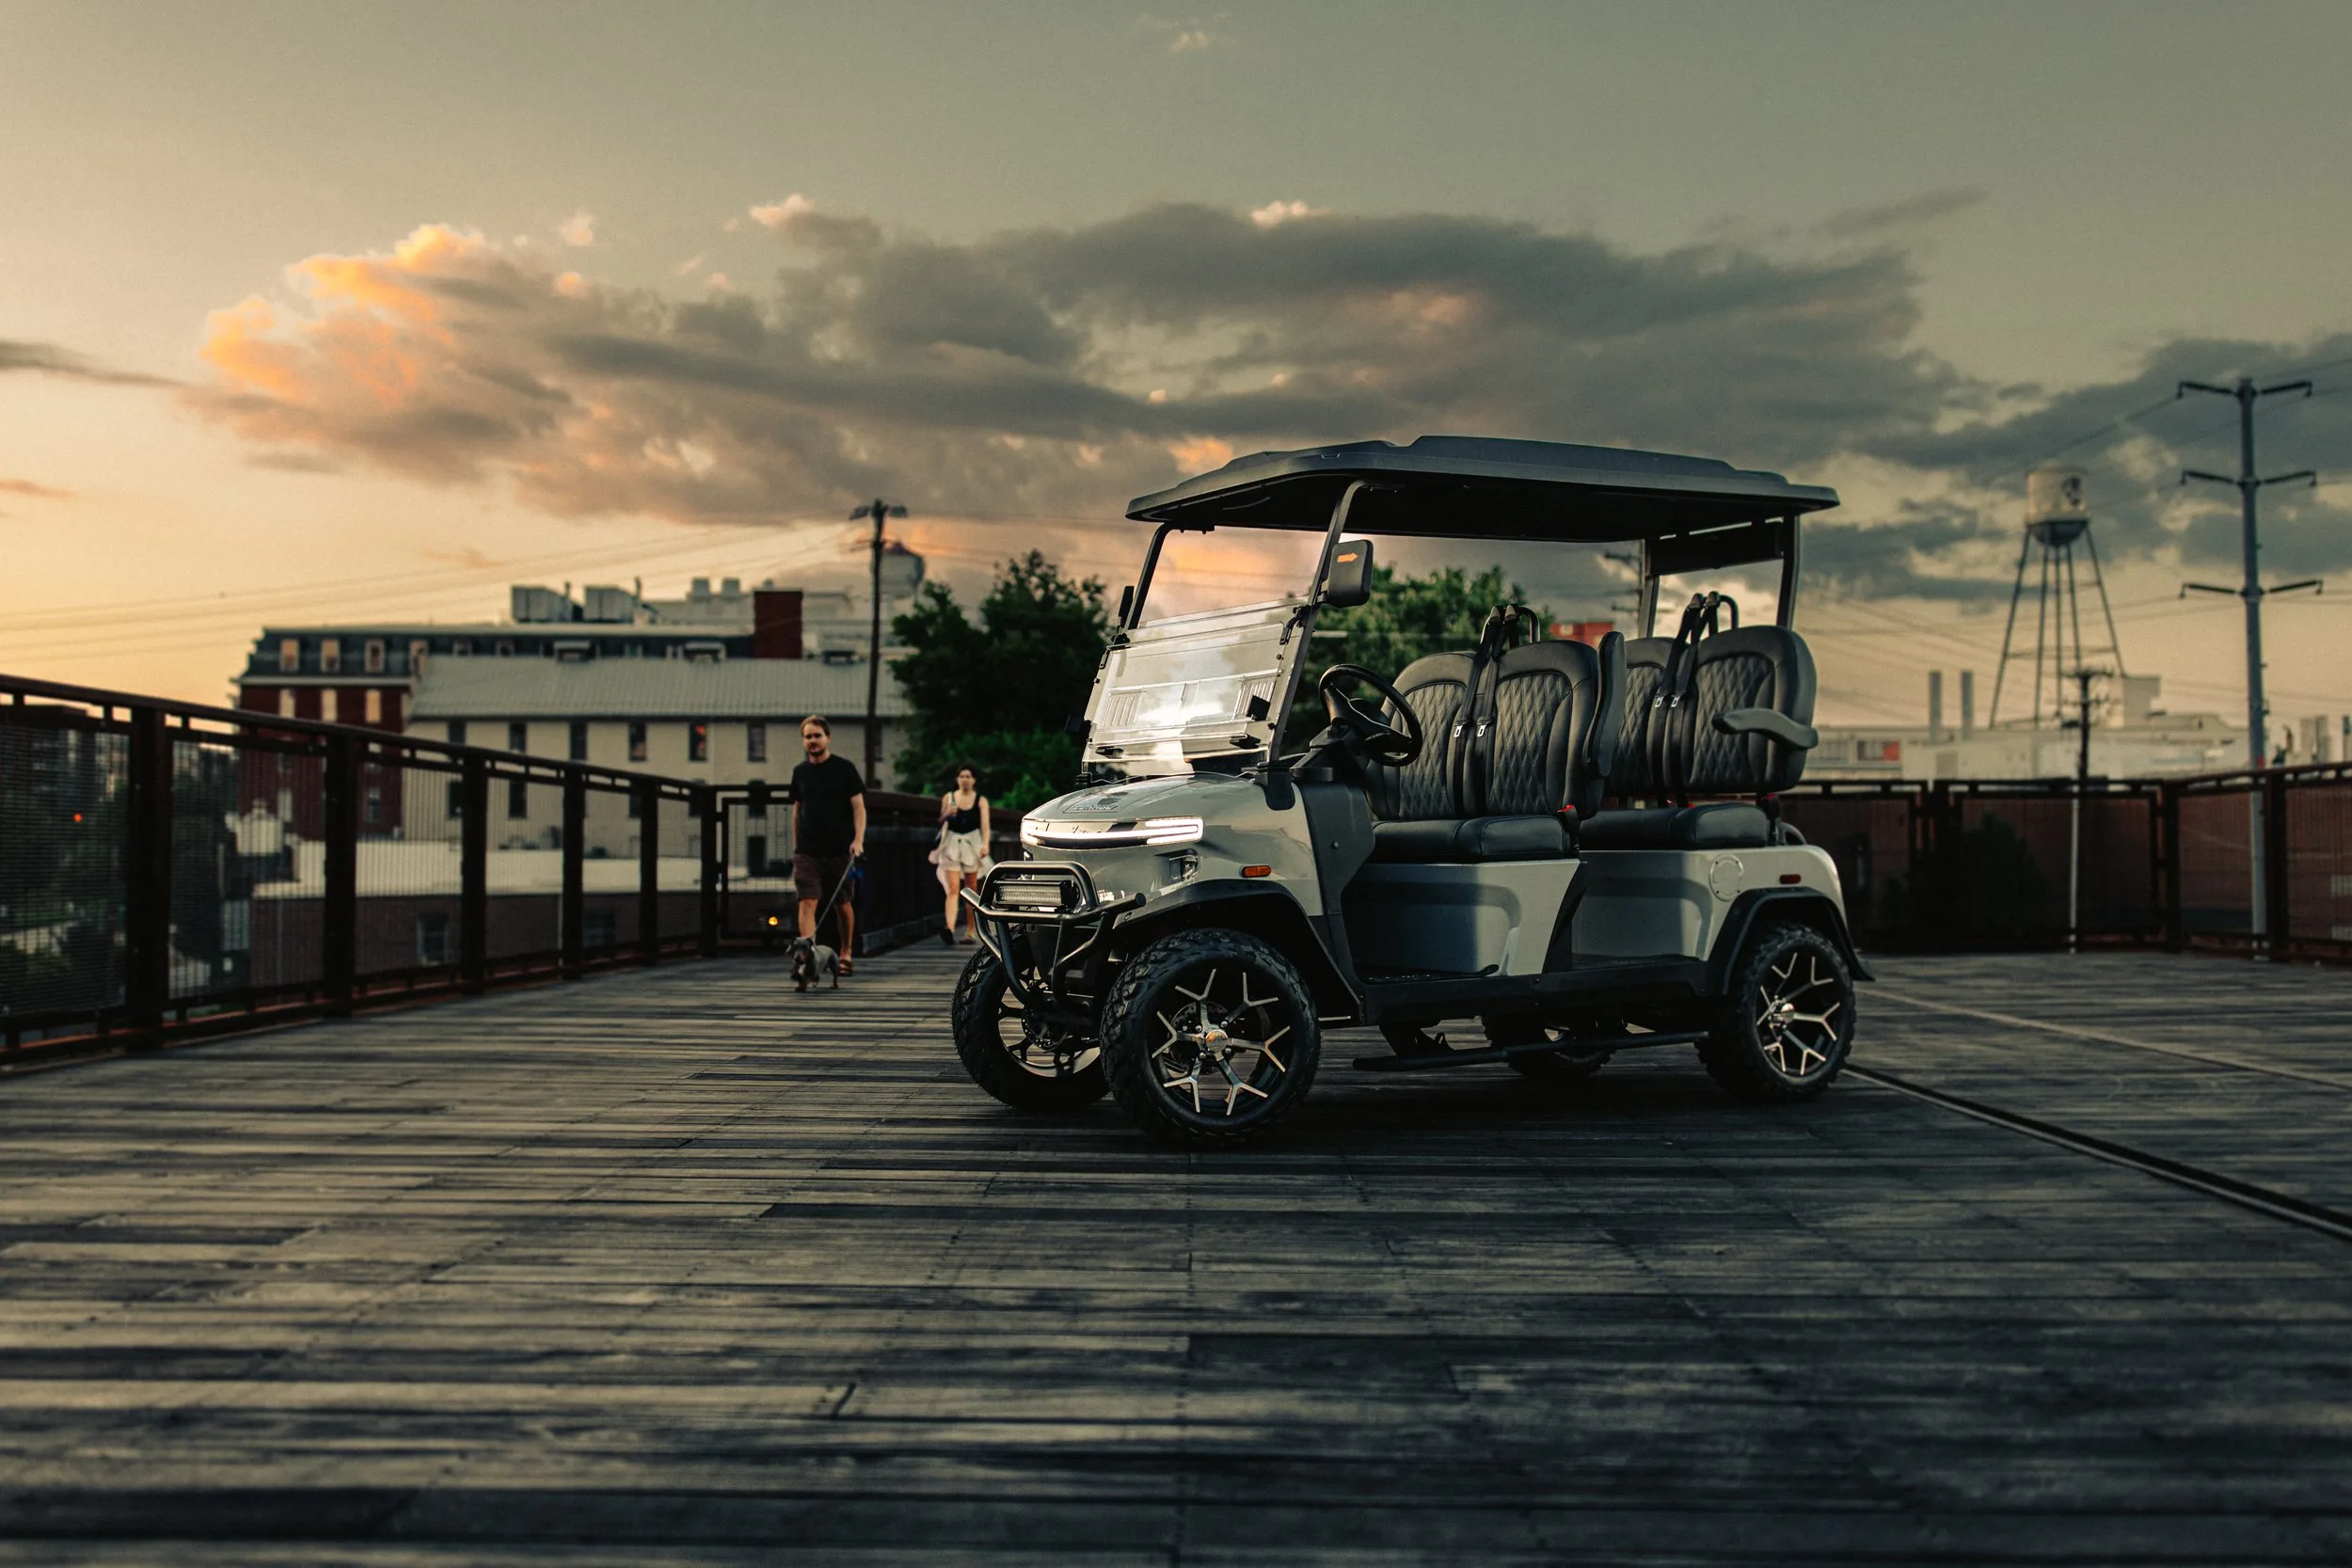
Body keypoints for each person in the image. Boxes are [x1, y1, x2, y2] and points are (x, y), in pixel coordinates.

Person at [790, 715, 865, 975]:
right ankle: (808, 956)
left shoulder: (844, 769)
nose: (812, 740)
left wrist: (858, 840)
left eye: (817, 735)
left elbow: (859, 807)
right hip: (807, 851)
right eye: (808, 736)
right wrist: (796, 844)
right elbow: (797, 810)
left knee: (842, 903)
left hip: (839, 849)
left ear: (827, 738)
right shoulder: (800, 772)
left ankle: (846, 952)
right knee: (807, 900)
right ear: (803, 740)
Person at [936, 766, 992, 945]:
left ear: (974, 780)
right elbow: (940, 820)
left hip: (971, 844)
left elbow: (985, 826)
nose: (965, 780)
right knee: (952, 889)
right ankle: (949, 928)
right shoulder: (949, 797)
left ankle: (970, 930)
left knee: (970, 889)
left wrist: (985, 845)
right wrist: (947, 813)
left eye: (968, 776)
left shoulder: (980, 800)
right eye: (961, 776)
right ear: (957, 779)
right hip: (952, 843)